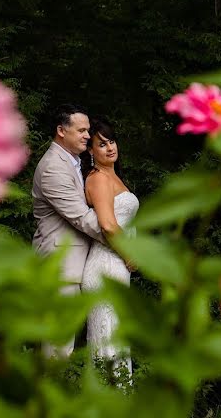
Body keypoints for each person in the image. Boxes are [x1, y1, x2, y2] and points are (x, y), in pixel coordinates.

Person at [32, 104, 107, 358]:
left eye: (88, 130)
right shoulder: (53, 166)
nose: (88, 135)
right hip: (59, 264)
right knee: (57, 346)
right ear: (61, 131)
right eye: (82, 130)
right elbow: (82, 218)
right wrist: (119, 240)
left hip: (73, 264)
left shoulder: (74, 162)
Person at [80, 118, 138, 376]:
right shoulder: (98, 179)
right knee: (108, 341)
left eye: (111, 141)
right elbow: (108, 225)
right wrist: (129, 256)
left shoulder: (113, 177)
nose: (109, 147)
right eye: (101, 144)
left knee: (116, 338)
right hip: (107, 265)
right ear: (90, 151)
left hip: (116, 265)